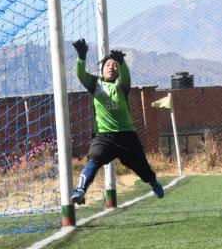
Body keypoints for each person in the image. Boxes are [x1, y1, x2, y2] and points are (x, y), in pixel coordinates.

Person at [70, 38, 164, 205]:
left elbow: (126, 77)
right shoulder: (94, 84)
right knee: (94, 159)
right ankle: (80, 190)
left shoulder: (121, 85)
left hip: (127, 135)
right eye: (108, 65)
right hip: (103, 136)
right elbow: (81, 74)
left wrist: (122, 63)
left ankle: (153, 182)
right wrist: (81, 57)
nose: (111, 68)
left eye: (115, 66)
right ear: (102, 69)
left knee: (142, 168)